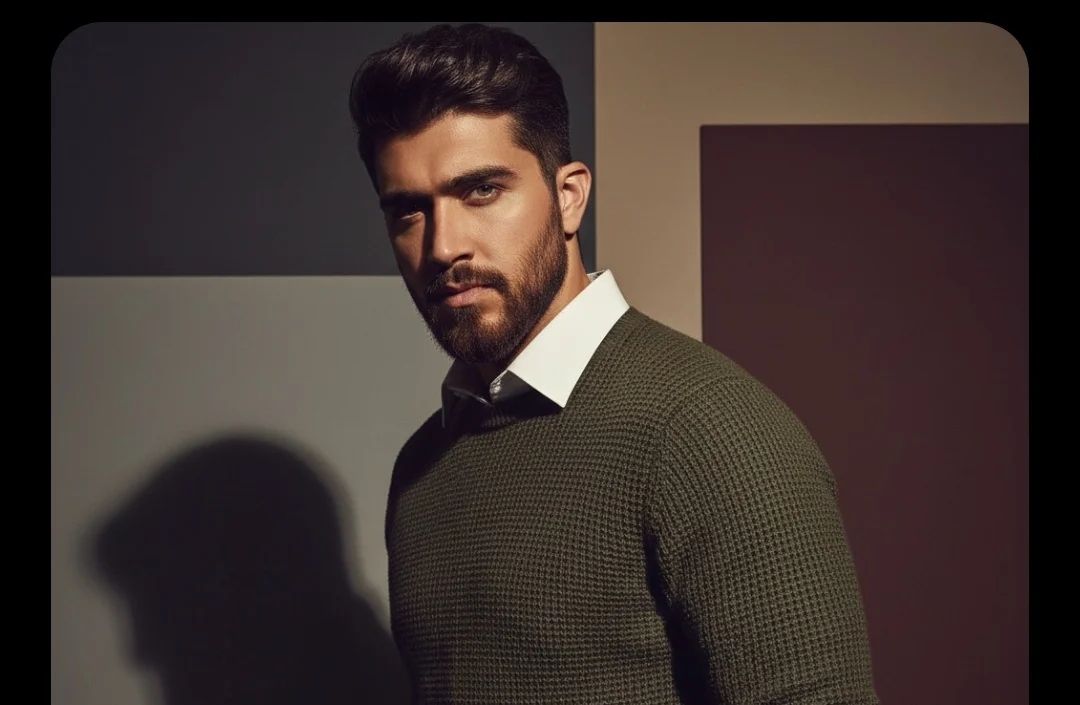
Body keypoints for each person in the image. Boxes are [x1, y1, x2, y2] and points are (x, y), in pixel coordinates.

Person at [349, 22, 879, 704]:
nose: (444, 245)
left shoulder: (710, 428)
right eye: (408, 212)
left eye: (481, 190)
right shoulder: (423, 465)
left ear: (569, 197)